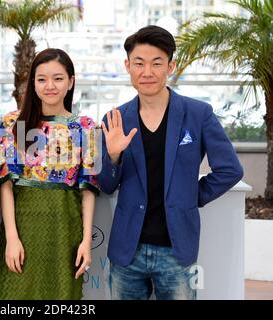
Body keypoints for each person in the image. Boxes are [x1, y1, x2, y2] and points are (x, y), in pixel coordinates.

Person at [98, 25, 244, 300]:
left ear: (171, 66)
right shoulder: (115, 118)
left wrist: (192, 196)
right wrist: (114, 156)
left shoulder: (198, 114)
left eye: (157, 63)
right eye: (139, 63)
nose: (147, 72)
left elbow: (230, 170)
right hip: (128, 250)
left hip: (177, 249)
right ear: (127, 66)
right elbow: (106, 185)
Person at [0, 48, 99, 299]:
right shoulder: (12, 123)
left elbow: (89, 190)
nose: (49, 86)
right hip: (23, 233)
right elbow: (5, 186)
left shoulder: (87, 127)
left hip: (66, 232)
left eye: (58, 78)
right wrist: (11, 238)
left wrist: (86, 241)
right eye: (41, 79)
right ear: (33, 83)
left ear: (71, 81)